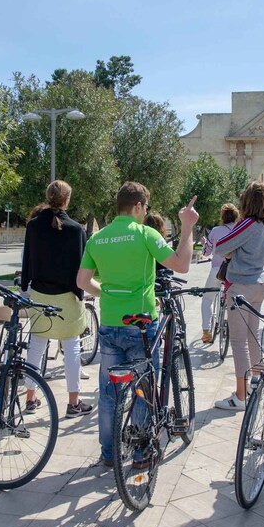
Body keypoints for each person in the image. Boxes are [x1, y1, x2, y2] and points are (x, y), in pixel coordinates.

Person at [76, 182, 198, 467]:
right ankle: (142, 452)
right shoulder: (145, 234)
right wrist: (187, 226)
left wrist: (104, 292)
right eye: (146, 208)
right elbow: (181, 265)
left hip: (109, 324)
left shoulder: (98, 239)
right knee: (143, 390)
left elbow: (82, 282)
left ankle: (108, 454)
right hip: (141, 325)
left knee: (109, 394)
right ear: (139, 206)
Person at [21, 180, 93, 418]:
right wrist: (80, 294)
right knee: (72, 347)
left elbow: (27, 261)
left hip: (39, 294)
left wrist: (24, 289)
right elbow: (81, 268)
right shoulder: (76, 230)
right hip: (68, 297)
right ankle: (73, 403)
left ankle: (30, 398)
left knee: (36, 346)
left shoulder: (33, 226)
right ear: (67, 200)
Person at [213, 182, 264, 410]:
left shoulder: (247, 223)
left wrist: (232, 253)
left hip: (241, 286)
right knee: (253, 335)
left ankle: (240, 396)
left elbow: (220, 247)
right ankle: (256, 381)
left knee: (238, 341)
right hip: (260, 283)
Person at [200, 203, 239, 343]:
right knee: (235, 301)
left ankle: (206, 331)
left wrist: (205, 243)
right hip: (235, 272)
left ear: (222, 216)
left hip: (217, 270)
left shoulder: (215, 231)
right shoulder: (240, 229)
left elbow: (206, 253)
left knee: (207, 299)